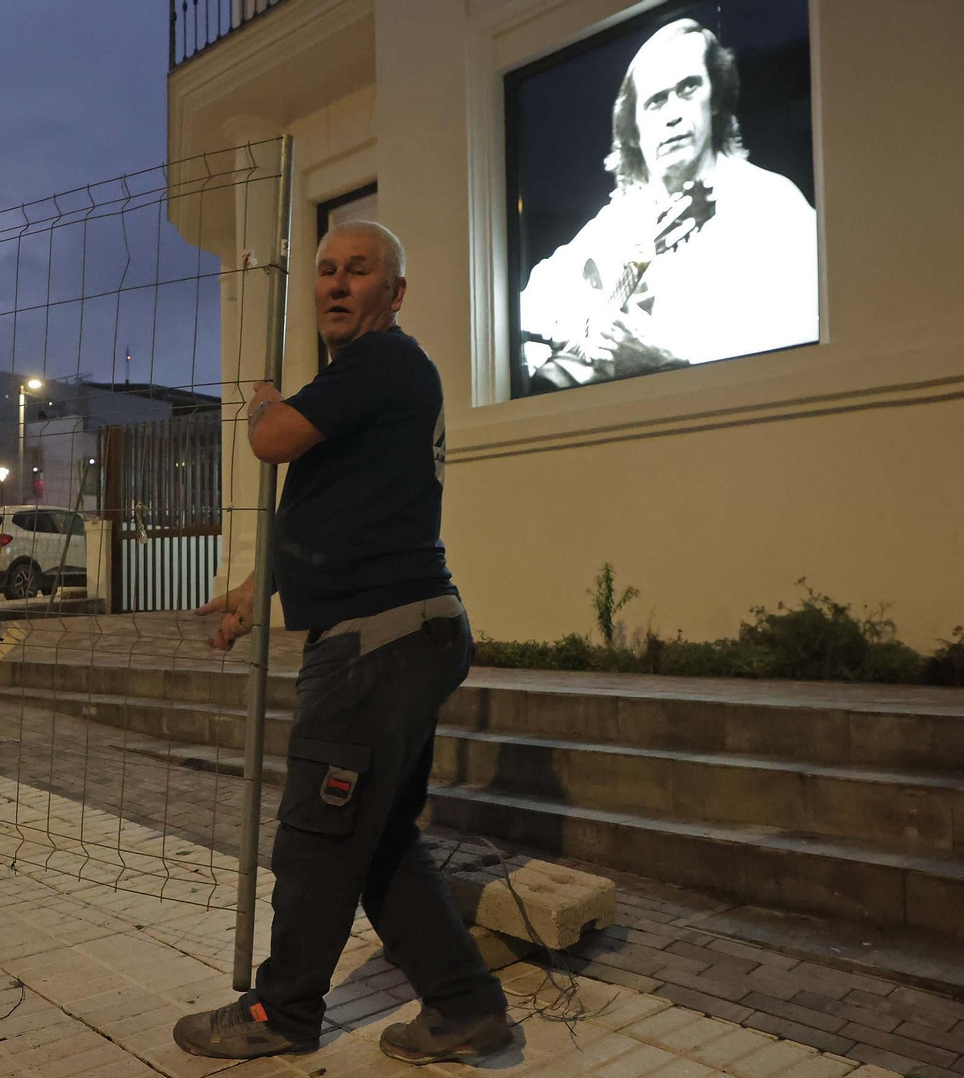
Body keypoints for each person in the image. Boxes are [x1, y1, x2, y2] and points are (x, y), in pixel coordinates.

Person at [173, 222, 511, 1066]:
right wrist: (257, 591)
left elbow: (272, 440)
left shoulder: (380, 360)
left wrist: (260, 400)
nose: (334, 283)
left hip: (376, 644)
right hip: (406, 633)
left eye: (357, 271)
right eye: (325, 270)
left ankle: (281, 1013)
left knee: (318, 839)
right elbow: (336, 514)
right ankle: (465, 1007)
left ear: (394, 292)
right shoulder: (372, 381)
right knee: (377, 837)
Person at [518, 17, 817, 390]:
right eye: (656, 101)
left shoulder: (772, 204)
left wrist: (671, 361)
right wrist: (566, 333)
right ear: (633, 129)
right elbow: (522, 312)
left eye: (688, 88)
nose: (674, 114)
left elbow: (809, 339)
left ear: (715, 99)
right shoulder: (616, 221)